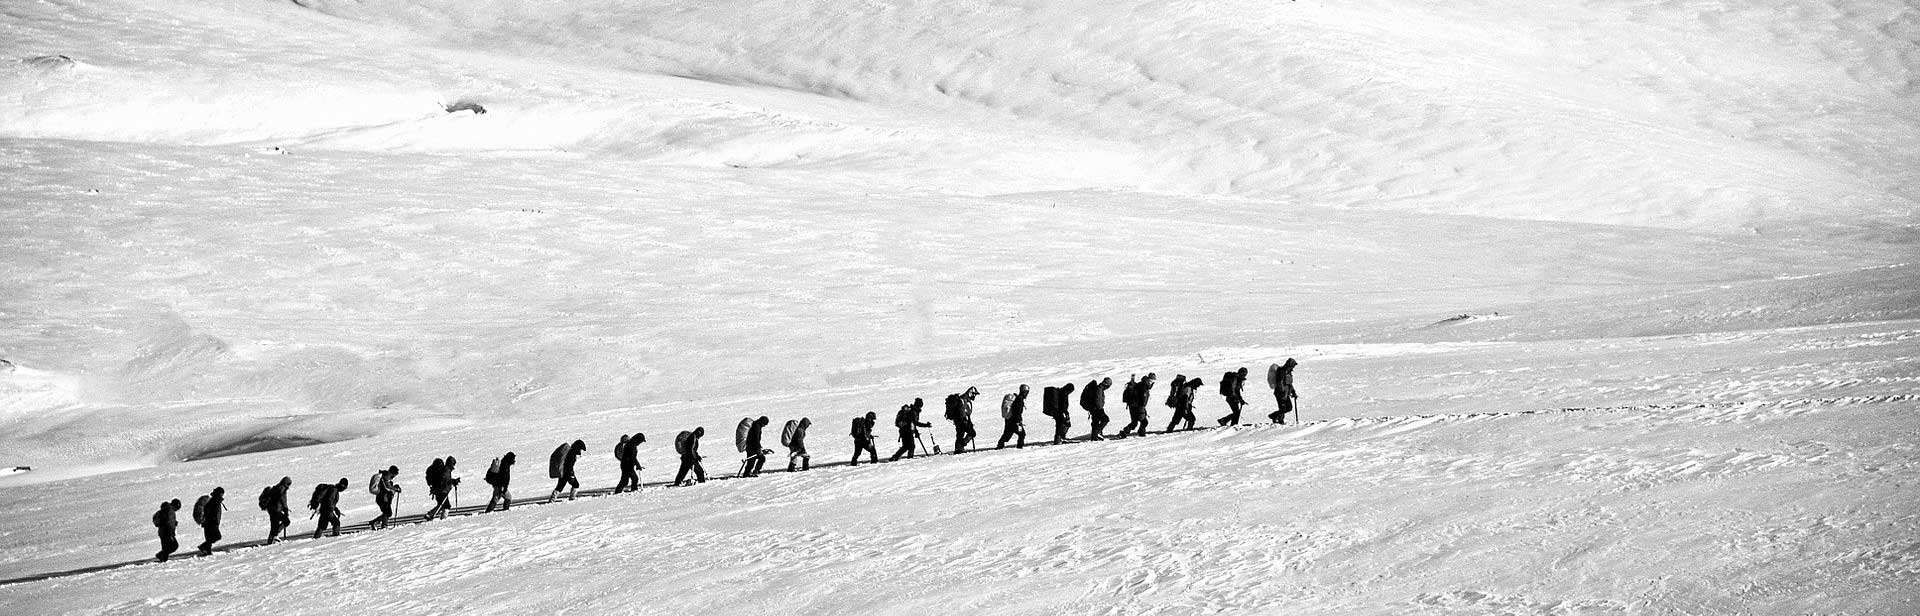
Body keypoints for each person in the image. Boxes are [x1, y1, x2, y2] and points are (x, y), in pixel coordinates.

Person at [1119, 373, 1156, 438]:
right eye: (1152, 381)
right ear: (1150, 380)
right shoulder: (1144, 386)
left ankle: (1125, 432)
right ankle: (1141, 433)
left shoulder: (1142, 384)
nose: (1153, 383)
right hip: (1137, 407)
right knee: (1144, 422)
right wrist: (1142, 408)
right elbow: (1142, 399)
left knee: (1134, 422)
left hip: (1133, 406)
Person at [945, 387, 979, 453]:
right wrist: (965, 421)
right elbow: (962, 411)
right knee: (971, 433)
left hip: (959, 420)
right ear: (970, 393)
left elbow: (966, 413)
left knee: (960, 434)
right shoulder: (963, 399)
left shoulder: (965, 399)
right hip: (961, 420)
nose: (974, 396)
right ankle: (960, 446)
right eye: (974, 394)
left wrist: (969, 421)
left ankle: (959, 448)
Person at [996, 385, 1030, 449]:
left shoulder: (1018, 398)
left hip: (1009, 420)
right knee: (1022, 434)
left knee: (1007, 434)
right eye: (1026, 392)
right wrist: (1019, 421)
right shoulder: (1019, 399)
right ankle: (1019, 447)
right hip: (1015, 421)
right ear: (1023, 391)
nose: (1027, 394)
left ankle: (1000, 446)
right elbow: (1017, 412)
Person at [1268, 358, 1299, 424]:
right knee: (1282, 408)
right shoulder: (1282, 371)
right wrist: (1282, 392)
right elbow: (1280, 382)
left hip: (1286, 393)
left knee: (1289, 407)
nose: (1294, 367)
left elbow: (1289, 384)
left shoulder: (1289, 372)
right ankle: (1280, 420)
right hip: (1280, 393)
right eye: (1293, 365)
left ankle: (1274, 416)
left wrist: (1293, 392)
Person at [195, 487, 224, 555]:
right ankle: (203, 547)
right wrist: (213, 520)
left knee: (210, 538)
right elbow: (211, 512)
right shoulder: (214, 501)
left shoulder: (214, 500)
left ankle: (207, 550)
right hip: (211, 523)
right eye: (221, 494)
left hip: (209, 523)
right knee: (217, 536)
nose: (222, 495)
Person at [264, 476, 292, 544]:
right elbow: (283, 501)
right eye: (289, 484)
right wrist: (285, 509)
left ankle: (270, 541)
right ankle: (274, 536)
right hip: (276, 509)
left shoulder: (276, 487)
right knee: (286, 521)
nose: (289, 486)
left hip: (271, 509)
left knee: (274, 525)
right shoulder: (282, 489)